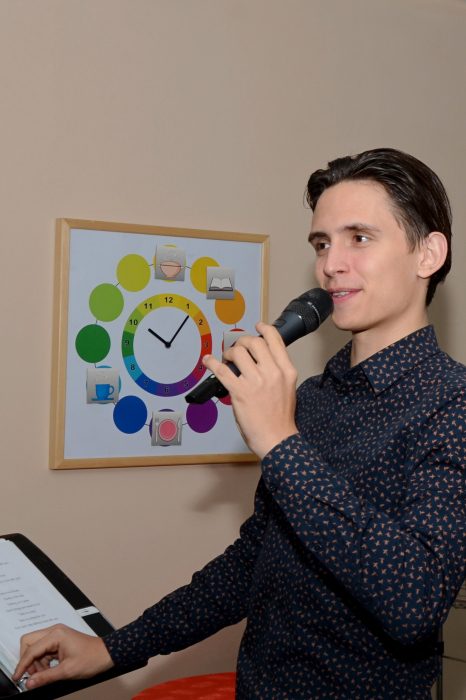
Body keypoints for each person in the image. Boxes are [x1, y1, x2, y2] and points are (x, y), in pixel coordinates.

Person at [14, 148, 466, 698]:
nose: (331, 264)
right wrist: (113, 647)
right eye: (322, 243)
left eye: (359, 238)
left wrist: (279, 440)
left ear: (428, 254)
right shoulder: (313, 398)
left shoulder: (452, 404)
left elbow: (415, 601)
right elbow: (254, 563)